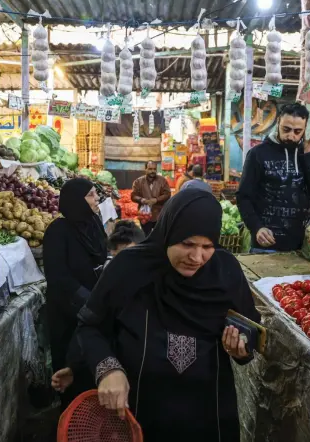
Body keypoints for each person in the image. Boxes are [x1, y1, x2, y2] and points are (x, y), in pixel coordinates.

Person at [75, 189, 260, 442]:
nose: (197, 257)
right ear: (168, 232)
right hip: (138, 411)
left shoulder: (225, 272)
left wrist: (241, 349)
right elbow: (90, 326)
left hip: (207, 415)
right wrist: (108, 369)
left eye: (208, 246)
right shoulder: (129, 268)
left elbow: (250, 329)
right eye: (187, 244)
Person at [51, 219, 145, 395]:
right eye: (119, 259)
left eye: (132, 257)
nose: (125, 266)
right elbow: (89, 333)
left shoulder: (153, 292)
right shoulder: (105, 290)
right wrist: (74, 369)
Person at [44, 178, 108, 409]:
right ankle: (70, 415)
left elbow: (102, 256)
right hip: (67, 311)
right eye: (91, 195)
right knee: (68, 363)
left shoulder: (94, 223)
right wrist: (87, 300)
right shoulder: (57, 231)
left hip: (93, 309)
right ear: (76, 200)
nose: (97, 198)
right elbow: (58, 276)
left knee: (91, 361)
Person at [237, 103, 310, 252]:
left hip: (300, 246)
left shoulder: (307, 154)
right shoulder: (258, 154)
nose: (291, 136)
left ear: (304, 130)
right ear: (278, 122)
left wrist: (309, 154)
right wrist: (256, 227)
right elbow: (243, 196)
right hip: (265, 244)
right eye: (286, 129)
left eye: (297, 131)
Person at [131, 161, 171, 236]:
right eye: (150, 169)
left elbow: (167, 194)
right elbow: (133, 195)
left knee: (160, 236)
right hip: (144, 215)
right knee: (146, 235)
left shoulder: (162, 180)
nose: (152, 171)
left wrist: (156, 200)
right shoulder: (138, 181)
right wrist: (142, 200)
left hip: (159, 214)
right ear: (145, 169)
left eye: (154, 169)